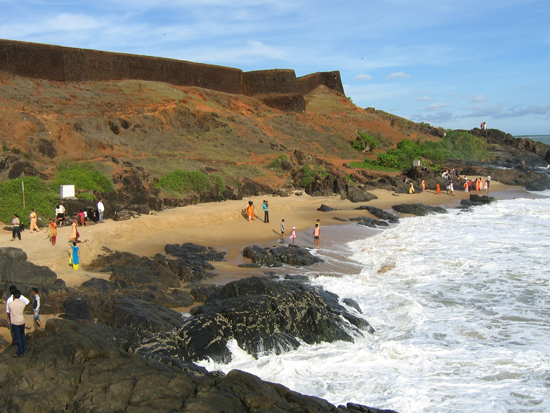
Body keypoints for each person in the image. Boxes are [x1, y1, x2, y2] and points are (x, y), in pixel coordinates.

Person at [7, 290, 27, 357]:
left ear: (14, 296)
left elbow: (9, 311)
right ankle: (24, 348)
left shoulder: (10, 304)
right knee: (22, 335)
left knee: (18, 337)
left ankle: (20, 351)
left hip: (15, 322)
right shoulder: (22, 303)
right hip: (22, 321)